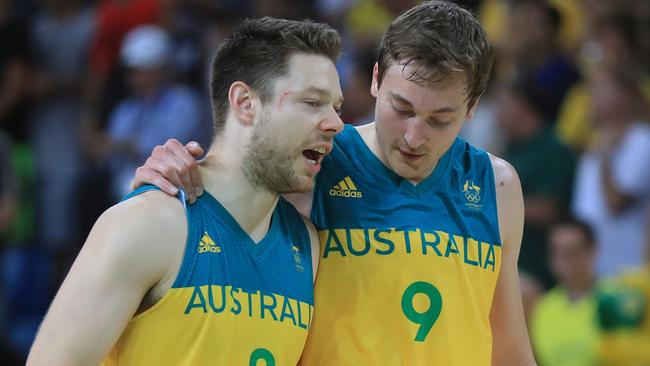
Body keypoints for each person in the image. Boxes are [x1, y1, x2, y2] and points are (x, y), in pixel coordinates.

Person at [132, 1, 536, 365]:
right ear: (376, 79)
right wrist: (170, 172)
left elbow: (510, 350)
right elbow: (219, 187)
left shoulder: (495, 184)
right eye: (402, 108)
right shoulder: (316, 157)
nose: (415, 136)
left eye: (439, 120)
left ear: (473, 107)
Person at [26, 17, 343, 366]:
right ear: (245, 102)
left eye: (336, 107)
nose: (335, 123)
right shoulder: (147, 223)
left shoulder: (307, 246)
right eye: (313, 102)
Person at [530, 219, 600, 366]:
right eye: (557, 252)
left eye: (571, 252)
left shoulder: (614, 298)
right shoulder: (543, 307)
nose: (564, 260)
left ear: (592, 251)